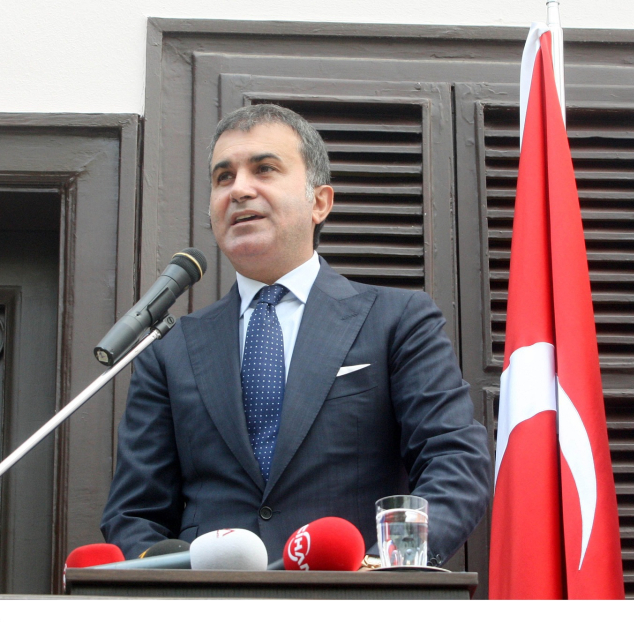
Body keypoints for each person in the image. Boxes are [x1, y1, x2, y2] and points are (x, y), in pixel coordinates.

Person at [101, 104, 492, 567]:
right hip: (208, 600)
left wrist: (385, 568)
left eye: (264, 169)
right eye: (224, 177)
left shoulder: (397, 320)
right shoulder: (170, 350)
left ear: (319, 202)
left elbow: (454, 462)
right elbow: (134, 513)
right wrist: (171, 579)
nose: (239, 189)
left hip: (355, 592)